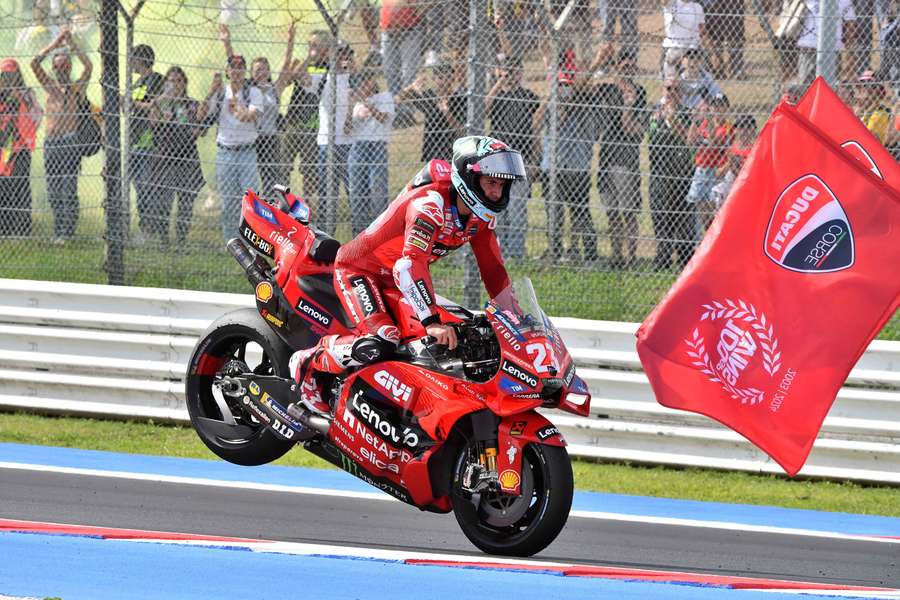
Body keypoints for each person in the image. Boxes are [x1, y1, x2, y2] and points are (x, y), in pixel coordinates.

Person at [288, 136, 527, 413]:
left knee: (452, 333)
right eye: (491, 183)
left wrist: (516, 317)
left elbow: (493, 270)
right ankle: (309, 362)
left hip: (398, 282)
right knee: (384, 339)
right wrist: (432, 321)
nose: (497, 193)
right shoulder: (430, 203)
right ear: (469, 179)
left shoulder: (480, 217)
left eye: (501, 185)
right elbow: (410, 264)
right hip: (361, 271)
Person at [219, 22, 296, 197]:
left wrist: (290, 41)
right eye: (256, 70)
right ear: (251, 73)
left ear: (269, 72)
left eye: (263, 69)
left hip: (270, 139)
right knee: (251, 183)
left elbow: (286, 65)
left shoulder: (274, 89)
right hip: (252, 140)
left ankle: (273, 216)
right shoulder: (247, 89)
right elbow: (234, 67)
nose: (260, 73)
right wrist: (227, 43)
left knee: (272, 181)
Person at [31, 27, 92, 244]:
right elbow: (34, 64)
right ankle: (58, 230)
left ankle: (67, 231)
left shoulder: (77, 88)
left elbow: (89, 66)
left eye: (65, 65)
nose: (61, 69)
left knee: (68, 187)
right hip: (51, 144)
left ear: (70, 66)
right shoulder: (50, 87)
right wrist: (56, 43)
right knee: (54, 189)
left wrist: (72, 45)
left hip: (70, 141)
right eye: (57, 66)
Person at [196, 54, 263, 240]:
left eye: (241, 67)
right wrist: (210, 92)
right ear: (227, 71)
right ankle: (231, 240)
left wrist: (234, 100)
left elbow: (249, 116)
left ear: (245, 71)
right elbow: (200, 116)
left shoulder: (253, 92)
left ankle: (252, 240)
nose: (236, 70)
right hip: (225, 152)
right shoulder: (219, 93)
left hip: (246, 152)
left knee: (250, 199)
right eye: (232, 67)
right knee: (228, 200)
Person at [598, 48, 648, 269]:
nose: (627, 71)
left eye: (630, 67)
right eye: (623, 67)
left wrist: (629, 105)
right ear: (616, 69)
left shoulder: (640, 94)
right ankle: (616, 256)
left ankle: (631, 258)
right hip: (606, 159)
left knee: (628, 213)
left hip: (626, 161)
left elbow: (633, 130)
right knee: (612, 212)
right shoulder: (607, 90)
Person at [485, 55, 539, 259]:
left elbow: (535, 131)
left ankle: (516, 252)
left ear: (521, 73)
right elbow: (484, 108)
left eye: (514, 71)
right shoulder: (496, 94)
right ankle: (498, 251)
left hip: (519, 159)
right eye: (506, 70)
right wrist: (500, 81)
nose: (510, 75)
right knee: (497, 209)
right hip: (496, 160)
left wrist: (534, 160)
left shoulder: (528, 96)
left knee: (517, 208)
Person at [149, 66, 207, 244]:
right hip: (164, 157)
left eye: (178, 81)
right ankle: (163, 237)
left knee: (186, 200)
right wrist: (163, 101)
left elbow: (199, 129)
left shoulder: (192, 104)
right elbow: (152, 123)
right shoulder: (159, 103)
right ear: (165, 83)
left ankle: (181, 237)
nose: (174, 84)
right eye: (171, 81)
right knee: (163, 199)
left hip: (186, 157)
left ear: (185, 83)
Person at [647, 79, 695, 270]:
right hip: (659, 172)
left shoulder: (687, 114)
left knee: (682, 217)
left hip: (681, 173)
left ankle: (684, 258)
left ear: (682, 93)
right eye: (669, 89)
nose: (672, 92)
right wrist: (665, 117)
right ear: (662, 90)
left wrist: (673, 119)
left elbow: (689, 140)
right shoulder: (654, 113)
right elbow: (651, 135)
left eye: (676, 89)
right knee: (660, 215)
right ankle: (663, 257)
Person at [346, 68, 395, 236]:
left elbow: (384, 118)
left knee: (377, 191)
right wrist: (349, 106)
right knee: (357, 192)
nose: (364, 85)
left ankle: (378, 234)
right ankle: (358, 236)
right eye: (361, 82)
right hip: (358, 147)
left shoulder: (384, 97)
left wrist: (366, 103)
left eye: (367, 81)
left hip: (377, 147)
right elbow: (347, 129)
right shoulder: (356, 103)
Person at [283, 30, 330, 203]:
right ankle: (283, 202)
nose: (312, 48)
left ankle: (307, 203)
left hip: (313, 126)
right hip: (293, 122)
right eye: (310, 45)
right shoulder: (302, 63)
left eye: (316, 45)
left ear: (325, 47)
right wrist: (309, 59)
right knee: (283, 165)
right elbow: (292, 78)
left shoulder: (330, 67)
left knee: (309, 169)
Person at [316, 41, 356, 234]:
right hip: (326, 142)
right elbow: (298, 75)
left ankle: (362, 236)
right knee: (326, 192)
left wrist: (354, 70)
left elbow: (362, 94)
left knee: (354, 191)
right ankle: (325, 236)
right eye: (340, 55)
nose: (343, 59)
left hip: (349, 143)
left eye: (347, 55)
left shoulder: (354, 79)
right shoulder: (323, 77)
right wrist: (315, 54)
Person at [127, 44, 164, 244]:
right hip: (134, 143)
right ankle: (146, 227)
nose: (130, 63)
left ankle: (151, 229)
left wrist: (132, 104)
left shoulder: (156, 80)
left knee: (148, 188)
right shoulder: (135, 83)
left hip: (150, 142)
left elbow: (159, 104)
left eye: (132, 58)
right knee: (140, 188)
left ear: (140, 59)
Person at [0, 58, 42, 237]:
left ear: (18, 75)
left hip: (20, 147)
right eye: (5, 74)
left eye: (12, 74)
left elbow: (38, 115)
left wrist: (21, 101)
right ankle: (5, 228)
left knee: (21, 186)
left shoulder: (26, 93)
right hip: (2, 148)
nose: (9, 78)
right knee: (3, 187)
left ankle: (23, 229)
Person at [395, 61, 467, 162]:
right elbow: (397, 100)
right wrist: (411, 87)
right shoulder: (429, 96)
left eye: (449, 77)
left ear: (453, 78)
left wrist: (447, 113)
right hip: (431, 149)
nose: (446, 80)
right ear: (434, 79)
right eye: (441, 78)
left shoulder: (459, 99)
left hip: (452, 151)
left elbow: (462, 131)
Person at [686, 92, 733, 236]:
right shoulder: (705, 123)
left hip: (716, 172)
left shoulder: (728, 127)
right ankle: (707, 238)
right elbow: (690, 142)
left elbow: (714, 144)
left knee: (714, 211)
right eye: (714, 106)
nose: (717, 110)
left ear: (726, 108)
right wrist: (695, 121)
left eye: (721, 106)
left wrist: (709, 123)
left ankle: (714, 238)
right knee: (702, 212)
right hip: (701, 170)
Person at [794, 0, 856, 86]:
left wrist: (848, 52)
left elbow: (850, 24)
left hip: (833, 48)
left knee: (830, 86)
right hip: (809, 45)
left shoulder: (844, 1)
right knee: (806, 86)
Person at [661, 0, 707, 79]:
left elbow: (702, 28)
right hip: (673, 45)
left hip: (691, 47)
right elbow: (664, 2)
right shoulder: (672, 3)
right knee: (670, 79)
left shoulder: (697, 7)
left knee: (689, 78)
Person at [854, 69, 892, 143]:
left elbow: (866, 138)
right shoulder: (861, 111)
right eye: (862, 85)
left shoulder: (881, 113)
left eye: (871, 85)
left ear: (879, 90)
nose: (864, 89)